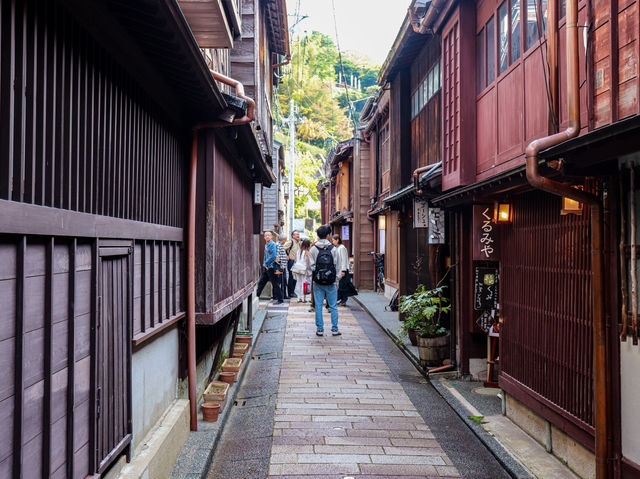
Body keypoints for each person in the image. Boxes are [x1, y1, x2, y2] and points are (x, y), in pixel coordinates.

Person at [310, 225, 342, 336]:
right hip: (331, 281)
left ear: (318, 235)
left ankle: (320, 329)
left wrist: (315, 276)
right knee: (333, 305)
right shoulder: (334, 249)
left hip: (318, 282)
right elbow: (338, 266)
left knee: (318, 305)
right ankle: (334, 329)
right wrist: (337, 279)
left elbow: (311, 267)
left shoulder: (313, 249)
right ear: (328, 235)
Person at [256, 231, 283, 304]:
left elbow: (273, 256)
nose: (267, 236)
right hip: (267, 267)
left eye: (269, 235)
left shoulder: (273, 244)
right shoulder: (266, 245)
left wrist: (265, 263)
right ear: (264, 237)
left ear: (271, 237)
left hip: (272, 267)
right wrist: (265, 265)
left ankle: (280, 300)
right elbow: (266, 256)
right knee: (261, 282)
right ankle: (257, 296)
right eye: (266, 235)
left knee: (275, 284)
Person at [333, 234, 357, 306]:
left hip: (343, 269)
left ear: (337, 240)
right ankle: (342, 299)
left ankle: (344, 299)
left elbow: (343, 260)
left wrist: (343, 270)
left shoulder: (342, 248)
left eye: (333, 240)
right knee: (342, 285)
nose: (333, 242)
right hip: (340, 269)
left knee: (343, 285)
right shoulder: (338, 248)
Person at [285, 230, 301, 298]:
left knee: (295, 277)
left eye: (298, 234)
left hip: (297, 262)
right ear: (293, 236)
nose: (298, 236)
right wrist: (286, 255)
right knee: (291, 277)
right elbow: (282, 248)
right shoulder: (290, 242)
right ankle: (290, 293)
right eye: (296, 234)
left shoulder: (298, 243)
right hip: (291, 262)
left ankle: (293, 291)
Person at [277, 234, 289, 299]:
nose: (286, 241)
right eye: (286, 239)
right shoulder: (278, 245)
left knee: (283, 281)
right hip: (281, 267)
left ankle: (284, 295)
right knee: (281, 282)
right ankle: (280, 296)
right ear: (284, 240)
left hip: (283, 266)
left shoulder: (281, 245)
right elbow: (277, 256)